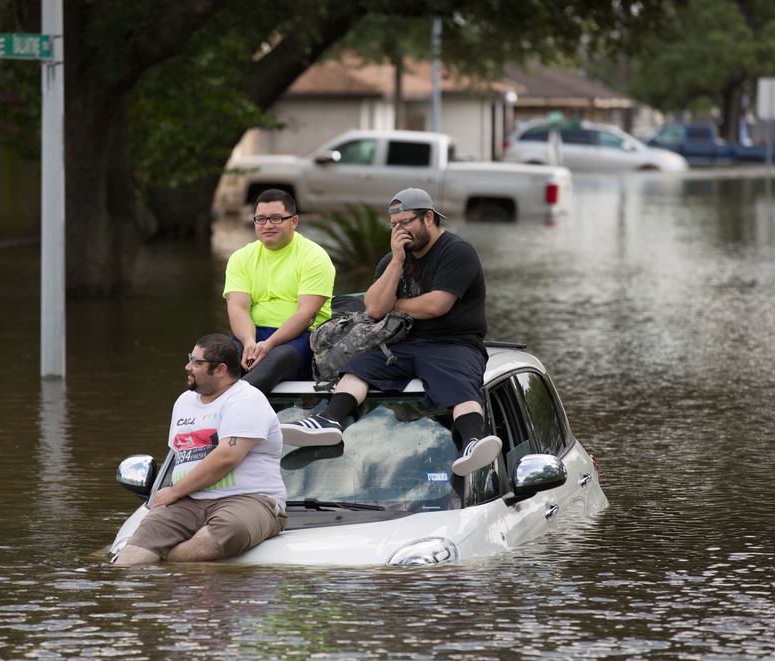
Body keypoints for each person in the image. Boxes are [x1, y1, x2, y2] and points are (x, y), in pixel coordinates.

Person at [281, 188, 501, 477]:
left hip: (455, 343)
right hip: (403, 342)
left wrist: (394, 305)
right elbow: (373, 308)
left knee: (459, 383)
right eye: (394, 224)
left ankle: (471, 442)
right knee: (358, 367)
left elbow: (437, 305)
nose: (399, 230)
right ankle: (328, 420)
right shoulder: (392, 260)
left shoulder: (457, 252)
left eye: (406, 222)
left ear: (429, 218)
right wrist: (397, 261)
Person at [114, 334, 288, 565]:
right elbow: (179, 455)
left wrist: (174, 492)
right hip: (189, 501)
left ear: (220, 370)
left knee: (226, 533)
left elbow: (226, 457)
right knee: (132, 555)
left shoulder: (246, 400)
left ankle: (163, 562)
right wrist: (173, 493)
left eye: (196, 362)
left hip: (248, 499)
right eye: (190, 359)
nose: (188, 367)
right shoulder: (184, 402)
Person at [223, 189, 335, 392]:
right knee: (219, 358)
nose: (267, 225)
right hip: (252, 333)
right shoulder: (240, 258)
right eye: (261, 219)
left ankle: (230, 406)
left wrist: (269, 344)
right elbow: (237, 309)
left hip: (302, 337)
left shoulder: (314, 256)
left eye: (276, 218)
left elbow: (307, 315)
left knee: (276, 359)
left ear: (294, 222)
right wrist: (249, 340)